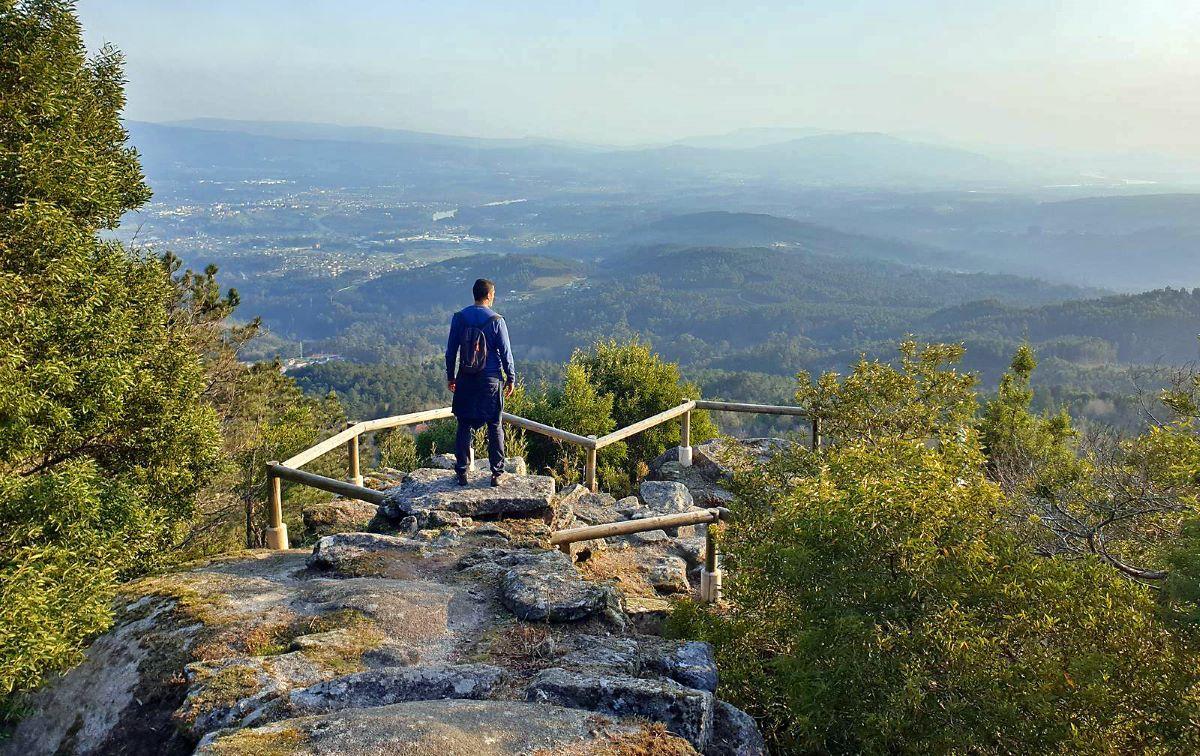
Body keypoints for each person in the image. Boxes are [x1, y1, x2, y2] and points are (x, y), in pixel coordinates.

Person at [445, 278, 516, 486]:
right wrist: (511, 378)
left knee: (464, 425)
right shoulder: (496, 320)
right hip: (491, 380)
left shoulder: (459, 318)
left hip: (466, 379)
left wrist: (451, 376)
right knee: (494, 425)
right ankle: (496, 473)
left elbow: (451, 352)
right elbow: (505, 353)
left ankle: (462, 471)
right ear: (489, 295)